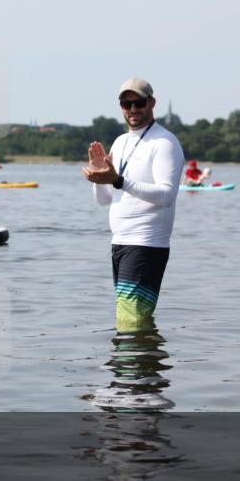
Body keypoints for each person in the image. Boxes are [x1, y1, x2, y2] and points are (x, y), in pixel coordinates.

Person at [83, 77, 184, 332]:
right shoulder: (120, 142)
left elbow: (166, 195)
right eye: (126, 104)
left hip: (146, 243)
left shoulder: (164, 142)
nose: (133, 110)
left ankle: (133, 368)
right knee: (129, 319)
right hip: (120, 242)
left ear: (151, 102)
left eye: (138, 103)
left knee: (130, 321)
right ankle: (140, 368)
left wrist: (117, 180)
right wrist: (99, 178)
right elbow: (104, 200)